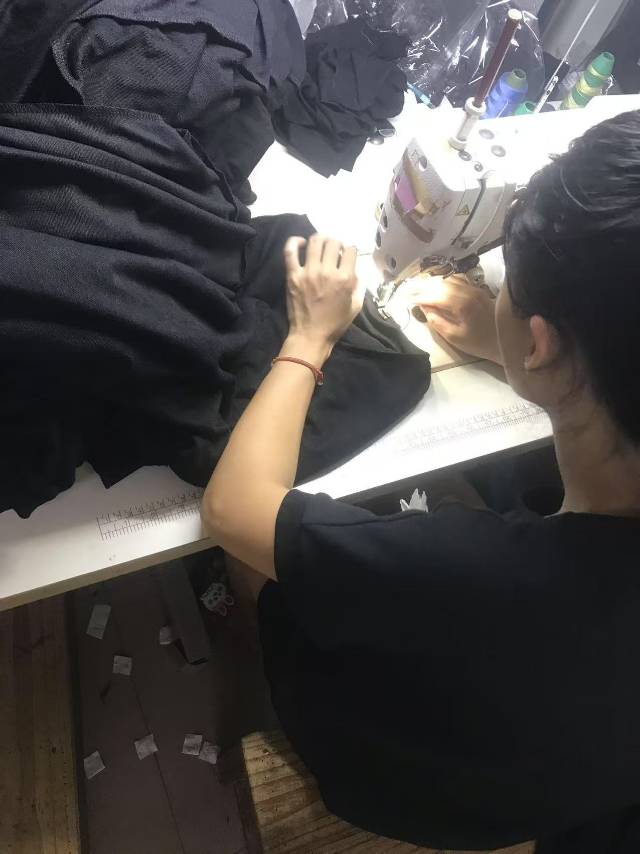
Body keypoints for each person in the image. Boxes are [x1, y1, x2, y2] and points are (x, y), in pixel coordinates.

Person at [202, 110, 640, 853]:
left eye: (506, 284)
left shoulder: (480, 572)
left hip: (411, 781)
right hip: (569, 787)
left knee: (251, 561)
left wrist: (309, 336)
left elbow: (232, 506)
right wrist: (515, 351)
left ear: (544, 342)